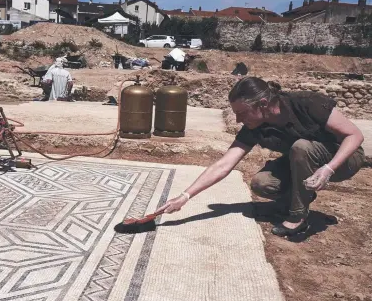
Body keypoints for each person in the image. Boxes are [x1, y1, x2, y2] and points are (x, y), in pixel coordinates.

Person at [155, 76, 366, 237]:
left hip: (344, 158)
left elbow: (355, 135)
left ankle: (298, 217)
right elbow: (224, 164)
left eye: (242, 112)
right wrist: (185, 196)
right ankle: (299, 197)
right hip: (303, 161)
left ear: (263, 104)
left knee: (302, 147)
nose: (238, 120)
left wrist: (328, 168)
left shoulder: (306, 103)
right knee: (262, 183)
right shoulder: (255, 125)